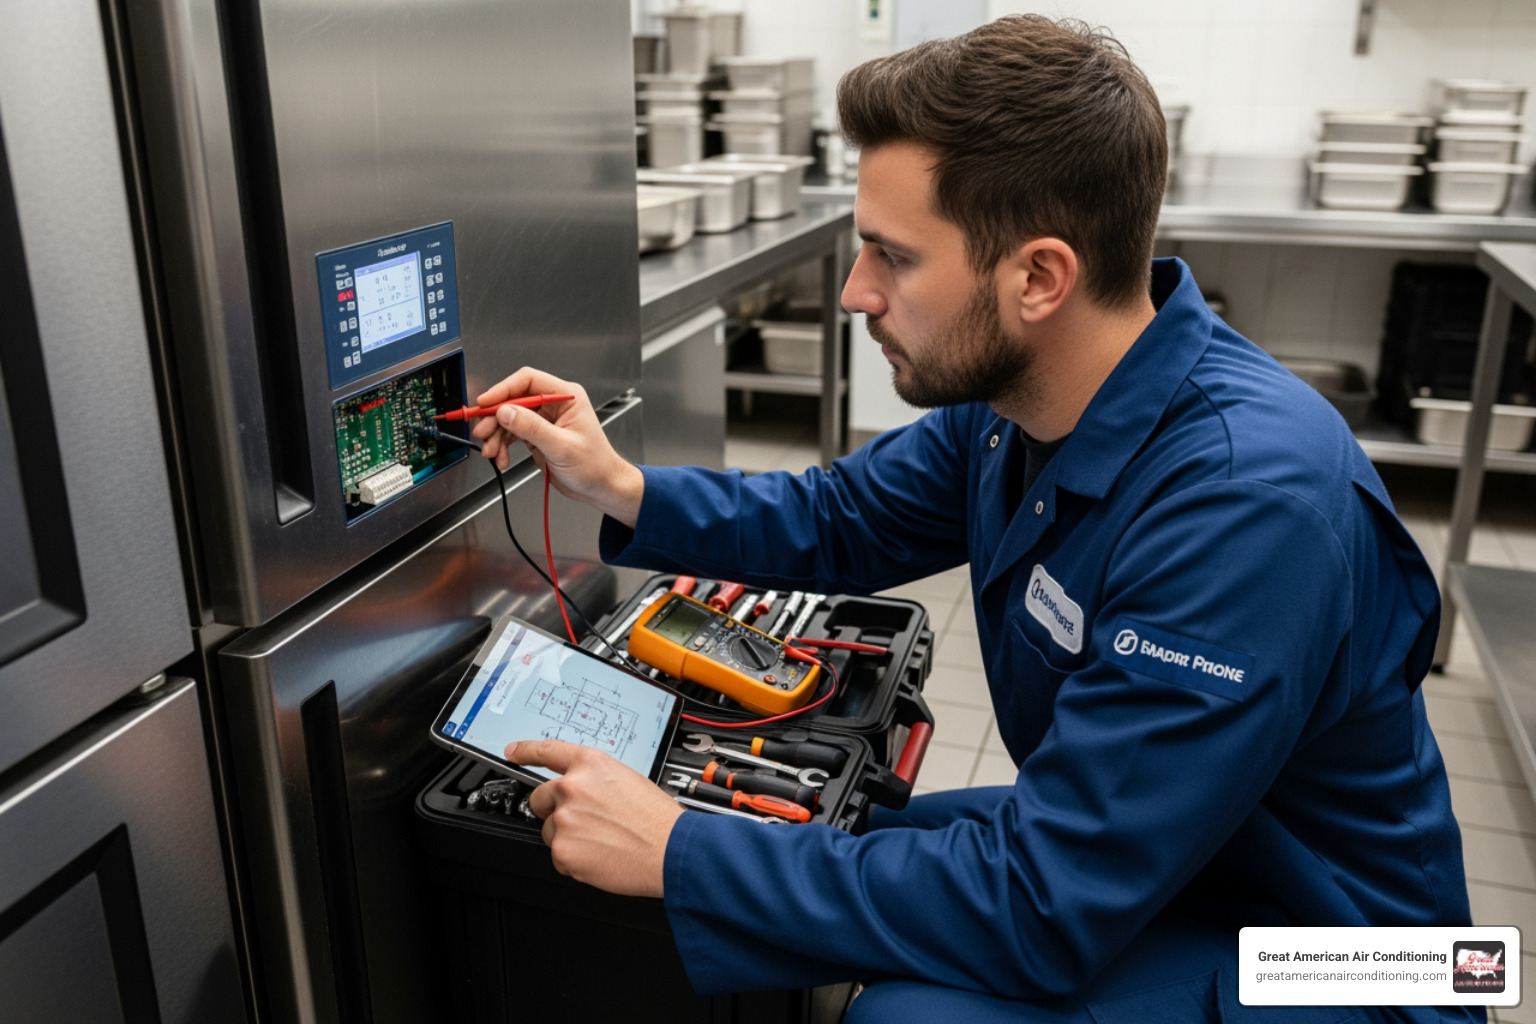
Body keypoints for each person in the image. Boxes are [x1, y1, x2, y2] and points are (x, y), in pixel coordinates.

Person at [472, 16, 1479, 1024]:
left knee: (906, 1016)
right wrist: (617, 484)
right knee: (865, 839)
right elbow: (838, 517)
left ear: (1038, 277)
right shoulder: (1018, 412)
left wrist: (682, 849)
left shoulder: (1246, 508)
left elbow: (1042, 904)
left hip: (1351, 953)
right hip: (1196, 855)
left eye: (892, 257)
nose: (857, 293)